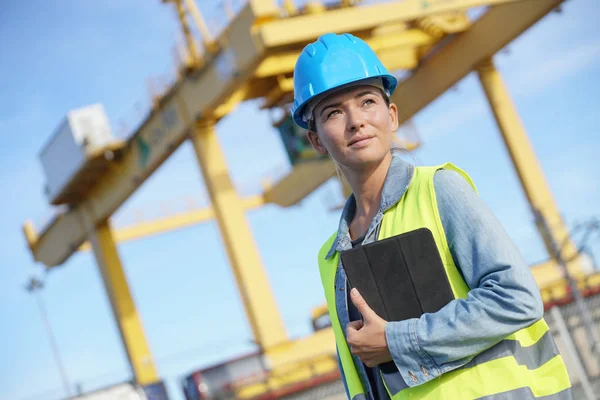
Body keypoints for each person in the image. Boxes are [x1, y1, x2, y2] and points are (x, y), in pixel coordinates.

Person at [291, 32, 572, 400]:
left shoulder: (439, 190)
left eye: (367, 102)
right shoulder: (332, 259)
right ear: (316, 140)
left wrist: (396, 340)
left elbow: (517, 297)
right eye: (333, 112)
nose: (355, 121)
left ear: (391, 116)